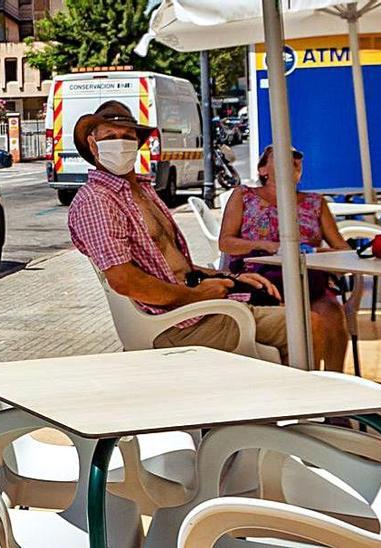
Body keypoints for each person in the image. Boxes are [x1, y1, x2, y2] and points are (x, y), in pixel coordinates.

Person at [67, 101, 306, 361]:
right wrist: (195, 296)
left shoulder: (143, 190)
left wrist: (230, 277)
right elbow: (124, 279)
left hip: (194, 308)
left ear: (138, 144)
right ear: (93, 146)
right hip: (173, 324)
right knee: (307, 324)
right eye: (110, 137)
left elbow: (176, 266)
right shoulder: (97, 200)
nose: (121, 142)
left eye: (127, 136)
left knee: (284, 300)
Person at [218, 146, 351, 371]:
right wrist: (269, 246)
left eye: (296, 160)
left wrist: (314, 252)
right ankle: (300, 382)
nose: (292, 162)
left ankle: (332, 384)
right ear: (263, 170)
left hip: (308, 282)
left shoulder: (315, 203)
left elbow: (342, 249)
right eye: (281, 157)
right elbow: (226, 242)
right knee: (298, 321)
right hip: (259, 281)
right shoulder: (244, 196)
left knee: (333, 316)